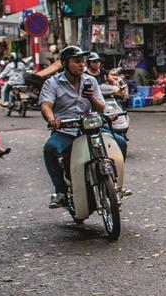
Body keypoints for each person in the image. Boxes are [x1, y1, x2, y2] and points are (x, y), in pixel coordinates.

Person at [40, 46, 126, 208]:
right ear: (65, 63)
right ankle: (60, 192)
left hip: (90, 127)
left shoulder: (90, 81)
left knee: (121, 143)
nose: (82, 65)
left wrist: (91, 97)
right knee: (50, 149)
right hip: (66, 129)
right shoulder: (52, 83)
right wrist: (52, 120)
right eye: (77, 61)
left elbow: (101, 108)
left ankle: (117, 184)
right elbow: (46, 105)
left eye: (83, 62)